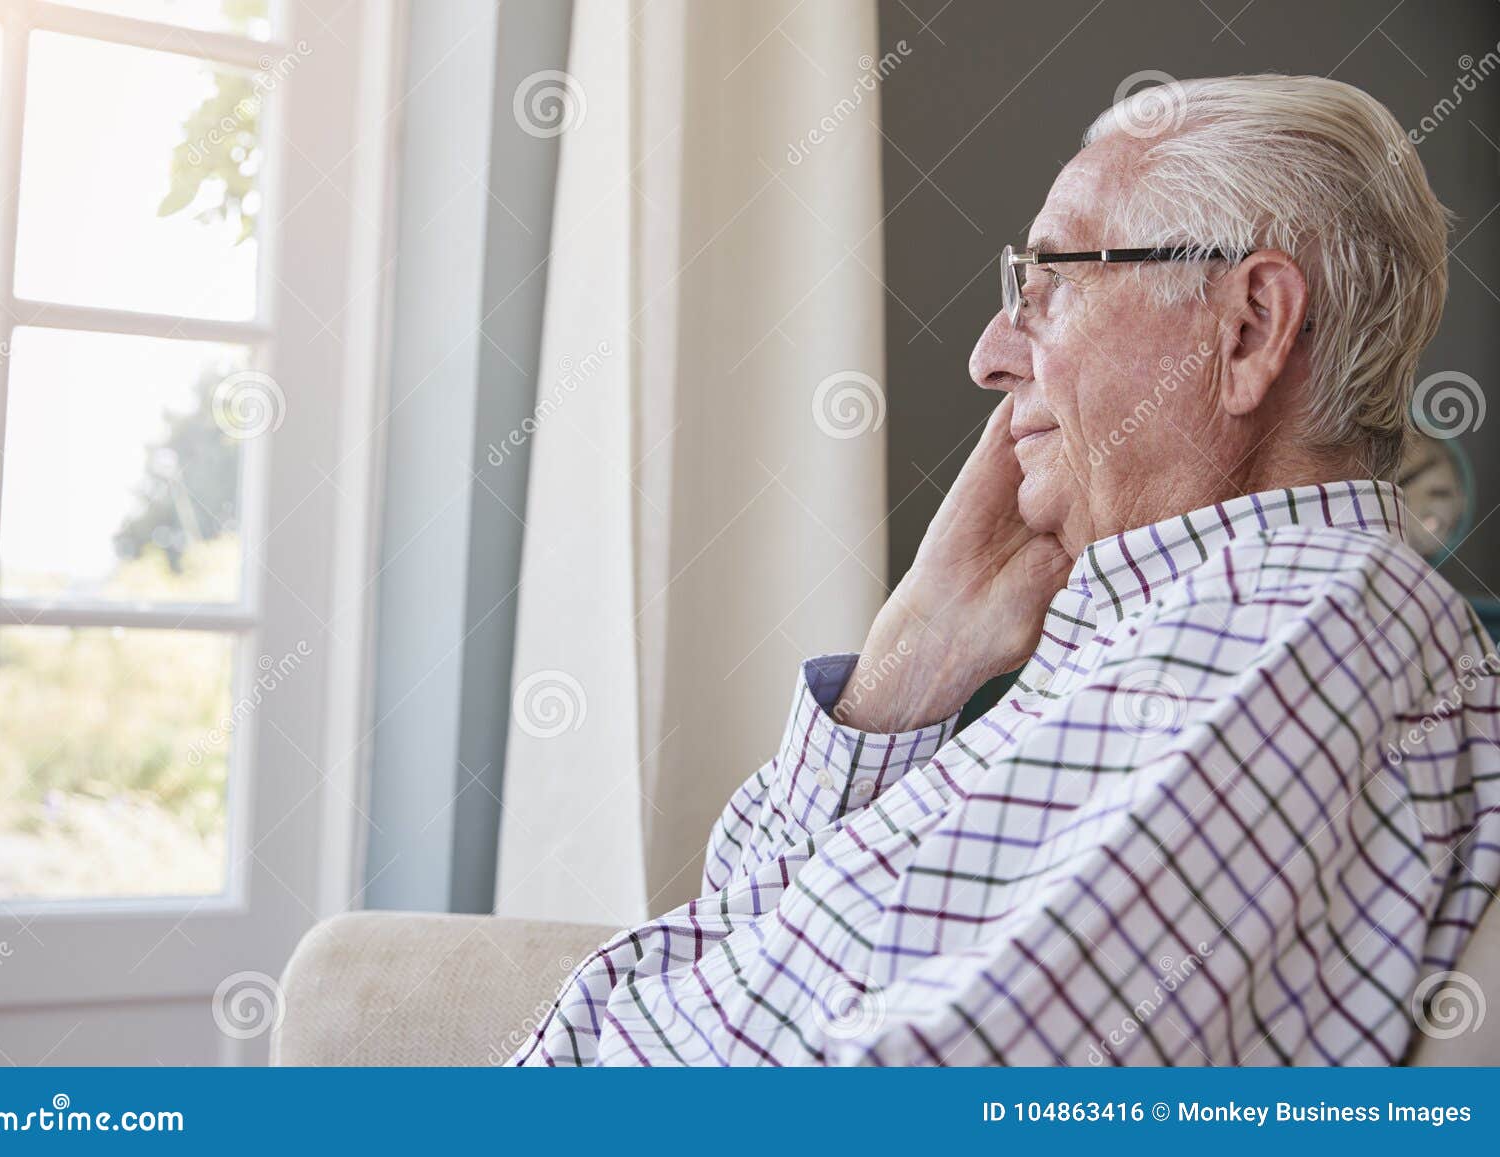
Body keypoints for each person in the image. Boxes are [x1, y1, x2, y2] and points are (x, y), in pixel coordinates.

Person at [509, 73, 1500, 1066]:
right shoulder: (1199, 626)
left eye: (1050, 287)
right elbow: (735, 938)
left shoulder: (1302, 631)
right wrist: (909, 664)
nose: (989, 355)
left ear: (1245, 328)